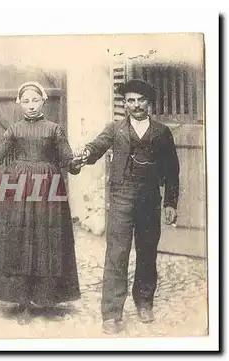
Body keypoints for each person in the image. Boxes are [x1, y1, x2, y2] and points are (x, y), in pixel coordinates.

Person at [77, 79, 180, 334]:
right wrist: (85, 154)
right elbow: (96, 147)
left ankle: (144, 301)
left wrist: (170, 202)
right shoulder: (115, 129)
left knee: (147, 252)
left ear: (149, 103)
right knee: (117, 253)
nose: (135, 105)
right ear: (125, 103)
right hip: (121, 197)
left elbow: (172, 171)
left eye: (140, 100)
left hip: (149, 199)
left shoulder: (162, 132)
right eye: (130, 100)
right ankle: (111, 313)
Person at [0, 82, 83, 325]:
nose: (31, 105)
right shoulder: (13, 130)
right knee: (19, 240)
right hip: (17, 190)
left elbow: (68, 160)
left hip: (48, 189)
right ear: (19, 103)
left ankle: (45, 297)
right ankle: (22, 300)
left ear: (43, 101)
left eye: (35, 100)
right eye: (26, 101)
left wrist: (77, 162)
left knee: (47, 239)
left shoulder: (55, 129)